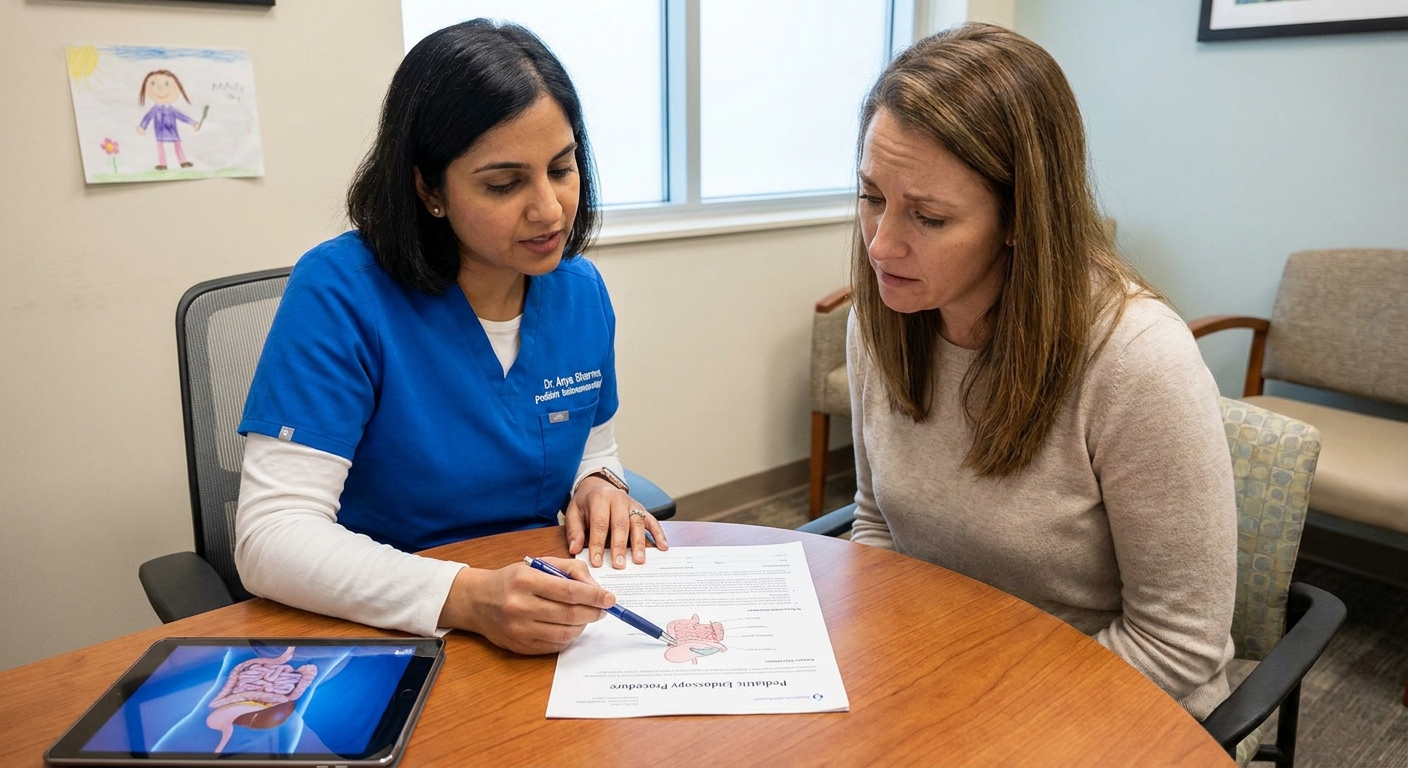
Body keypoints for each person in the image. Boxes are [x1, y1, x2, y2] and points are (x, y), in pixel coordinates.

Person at [234, 20, 667, 655]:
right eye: (504, 183)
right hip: (391, 624)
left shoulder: (579, 291)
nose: (549, 209)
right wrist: (467, 598)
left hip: (544, 613)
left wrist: (600, 483)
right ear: (429, 187)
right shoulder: (340, 291)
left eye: (562, 167)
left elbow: (589, 445)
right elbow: (271, 536)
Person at [846, 23, 1237, 719]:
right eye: (873, 196)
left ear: (1021, 218)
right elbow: (877, 518)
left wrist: (982, 708)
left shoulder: (1139, 359)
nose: (882, 245)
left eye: (929, 217)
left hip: (1111, 699)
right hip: (946, 671)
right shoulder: (885, 317)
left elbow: (1179, 646)